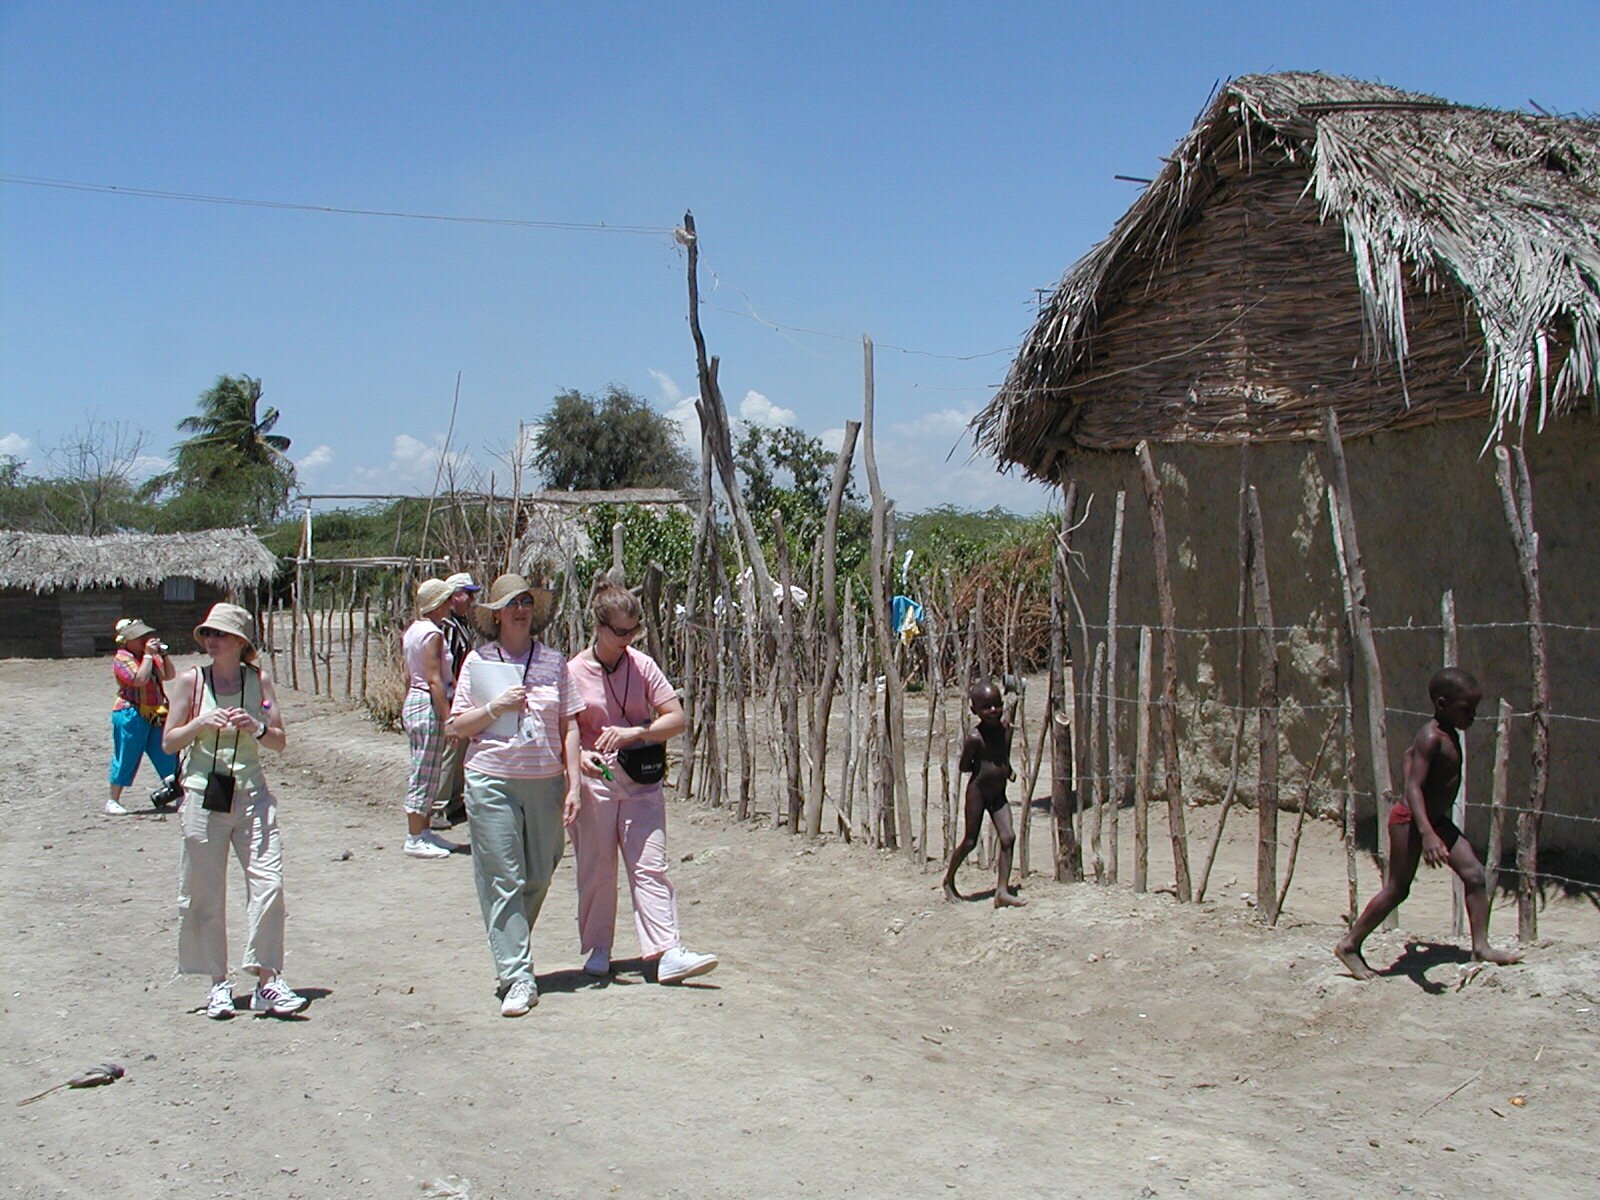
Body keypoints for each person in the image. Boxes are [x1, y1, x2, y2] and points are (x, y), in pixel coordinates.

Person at [444, 572, 583, 1017]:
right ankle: (517, 975)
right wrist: (495, 707)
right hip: (491, 778)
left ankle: (510, 945)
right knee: (503, 877)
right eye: (511, 604)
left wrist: (575, 783)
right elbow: (456, 726)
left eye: (525, 602)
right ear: (497, 616)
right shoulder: (479, 662)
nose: (519, 610)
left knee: (539, 872)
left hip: (545, 780)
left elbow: (570, 725)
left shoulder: (555, 662)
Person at [569, 576, 718, 984]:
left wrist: (636, 732)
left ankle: (667, 951)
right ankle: (599, 947)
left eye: (634, 631)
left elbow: (677, 719)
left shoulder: (643, 665)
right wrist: (579, 757)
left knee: (650, 865)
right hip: (596, 782)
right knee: (597, 869)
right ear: (599, 627)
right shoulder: (573, 672)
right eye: (620, 632)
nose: (628, 640)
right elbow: (563, 730)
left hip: (641, 780)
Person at [162, 602, 306, 1018]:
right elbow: (169, 742)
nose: (212, 640)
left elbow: (279, 740)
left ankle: (267, 980)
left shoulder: (259, 681)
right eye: (207, 633)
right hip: (204, 795)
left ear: (241, 642)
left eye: (220, 634)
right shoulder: (191, 681)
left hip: (252, 795)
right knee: (205, 892)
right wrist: (200, 724)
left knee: (269, 884)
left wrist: (256, 727)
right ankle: (218, 984)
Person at [1335, 668, 1522, 979]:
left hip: (1434, 820)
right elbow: (1413, 788)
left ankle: (1481, 947)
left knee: (1474, 875)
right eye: (1467, 709)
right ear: (1442, 704)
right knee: (1397, 889)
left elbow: (1410, 759)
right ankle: (1349, 945)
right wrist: (1427, 834)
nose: (1473, 716)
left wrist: (1433, 825)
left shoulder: (1448, 734)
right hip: (1411, 822)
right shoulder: (1431, 736)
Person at [943, 680, 1027, 908]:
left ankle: (1002, 891)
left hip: (998, 793)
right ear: (975, 710)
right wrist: (985, 769)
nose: (993, 710)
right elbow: (964, 766)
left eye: (997, 705)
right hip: (978, 792)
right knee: (970, 841)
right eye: (987, 707)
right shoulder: (974, 738)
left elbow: (1003, 756)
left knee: (1008, 837)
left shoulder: (1005, 730)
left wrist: (1007, 771)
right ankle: (949, 880)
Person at [401, 578, 460, 860]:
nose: (450, 605)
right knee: (425, 771)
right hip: (428, 702)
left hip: (415, 699)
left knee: (427, 767)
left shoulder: (413, 631)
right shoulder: (433, 635)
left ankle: (423, 831)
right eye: (446, 600)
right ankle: (414, 836)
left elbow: (408, 674)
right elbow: (434, 679)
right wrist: (449, 719)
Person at [107, 617, 179, 815]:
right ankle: (113, 800)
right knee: (127, 755)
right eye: (139, 637)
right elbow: (139, 679)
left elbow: (169, 675)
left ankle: (177, 794)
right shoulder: (122, 659)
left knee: (166, 753)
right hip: (131, 712)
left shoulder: (151, 657)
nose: (144, 640)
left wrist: (163, 655)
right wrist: (147, 656)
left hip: (156, 713)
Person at [430, 571, 480, 830]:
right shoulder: (447, 628)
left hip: (461, 696)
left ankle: (453, 801)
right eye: (468, 594)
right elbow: (444, 666)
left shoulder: (460, 624)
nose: (472, 600)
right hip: (450, 697)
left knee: (459, 748)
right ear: (454, 596)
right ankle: (437, 806)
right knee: (449, 750)